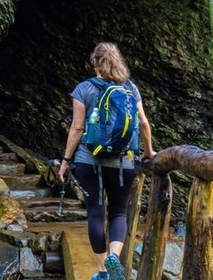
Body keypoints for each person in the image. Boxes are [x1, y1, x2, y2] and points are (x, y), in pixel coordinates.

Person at [58, 42, 156, 280]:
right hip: (123, 163)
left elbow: (78, 127)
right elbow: (143, 123)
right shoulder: (131, 88)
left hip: (88, 161)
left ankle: (103, 272)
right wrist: (149, 152)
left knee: (95, 212)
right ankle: (115, 255)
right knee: (119, 212)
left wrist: (65, 160)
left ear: (97, 64)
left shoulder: (83, 89)